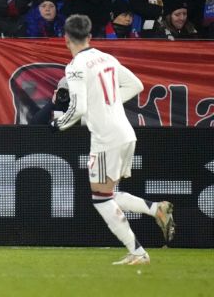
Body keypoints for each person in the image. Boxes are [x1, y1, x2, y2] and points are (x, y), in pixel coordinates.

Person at [50, 14, 175, 265]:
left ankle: (138, 252)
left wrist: (58, 124)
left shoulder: (75, 66)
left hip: (107, 138)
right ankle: (155, 209)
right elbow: (137, 85)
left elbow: (79, 108)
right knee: (106, 194)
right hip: (126, 133)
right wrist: (108, 103)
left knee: (101, 199)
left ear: (65, 38)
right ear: (90, 36)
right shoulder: (107, 58)